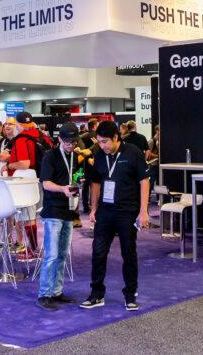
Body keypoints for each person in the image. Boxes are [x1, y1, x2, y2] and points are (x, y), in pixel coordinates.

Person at [81, 119, 149, 311]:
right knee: (98, 252)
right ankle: (96, 294)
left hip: (127, 211)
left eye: (105, 142)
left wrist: (143, 211)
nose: (102, 146)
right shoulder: (100, 155)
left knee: (129, 253)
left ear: (116, 137)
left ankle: (130, 295)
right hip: (105, 212)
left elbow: (144, 181)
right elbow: (96, 182)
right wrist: (93, 208)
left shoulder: (133, 152)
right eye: (99, 142)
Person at [37, 124, 82, 311]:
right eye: (67, 142)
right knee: (51, 255)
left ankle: (57, 291)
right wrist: (63, 189)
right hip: (53, 211)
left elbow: (74, 177)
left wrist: (77, 183)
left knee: (63, 254)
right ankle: (44, 294)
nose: (70, 145)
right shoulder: (50, 156)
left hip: (68, 211)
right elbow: (46, 184)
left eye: (73, 142)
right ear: (59, 140)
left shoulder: (75, 157)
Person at [9, 112, 53, 258]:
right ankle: (37, 248)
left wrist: (10, 165)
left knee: (29, 217)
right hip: (44, 180)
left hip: (28, 181)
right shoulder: (42, 136)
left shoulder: (21, 139)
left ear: (18, 125)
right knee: (34, 215)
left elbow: (24, 164)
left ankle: (33, 250)